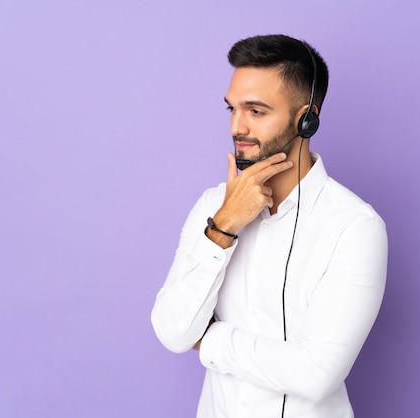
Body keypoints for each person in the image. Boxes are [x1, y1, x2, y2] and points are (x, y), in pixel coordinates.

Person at [151, 34, 388, 418]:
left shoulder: (354, 227)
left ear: (306, 118)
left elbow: (317, 374)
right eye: (232, 108)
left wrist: (209, 338)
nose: (237, 127)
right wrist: (225, 224)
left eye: (256, 111)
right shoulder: (213, 207)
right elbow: (173, 332)